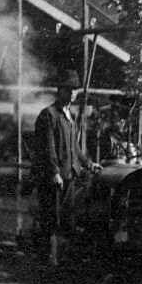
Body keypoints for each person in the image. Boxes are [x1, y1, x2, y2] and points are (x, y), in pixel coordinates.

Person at [31, 70, 102, 263]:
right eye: (68, 89)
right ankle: (48, 261)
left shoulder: (69, 117)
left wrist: (89, 164)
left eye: (74, 90)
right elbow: (47, 148)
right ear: (59, 90)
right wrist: (54, 172)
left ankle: (62, 260)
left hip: (69, 176)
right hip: (54, 178)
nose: (72, 94)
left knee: (67, 219)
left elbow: (74, 148)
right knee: (51, 219)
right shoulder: (48, 115)